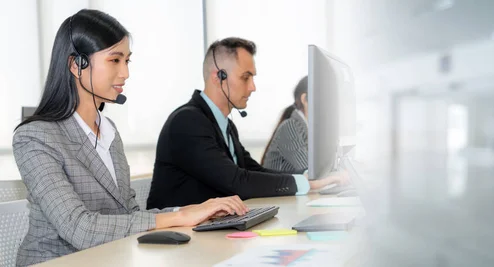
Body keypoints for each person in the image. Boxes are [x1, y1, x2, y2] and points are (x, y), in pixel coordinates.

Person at [12, 10, 247, 266]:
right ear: (76, 65)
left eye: (127, 61)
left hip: (111, 258)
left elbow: (130, 216)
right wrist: (181, 215)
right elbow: (78, 227)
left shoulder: (109, 131)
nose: (125, 73)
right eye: (115, 60)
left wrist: (200, 212)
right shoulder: (35, 137)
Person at [147, 38, 344, 209]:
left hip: (209, 229)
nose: (253, 87)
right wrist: (307, 183)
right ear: (219, 77)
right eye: (245, 77)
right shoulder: (187, 122)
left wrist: (308, 180)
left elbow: (253, 171)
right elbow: (237, 181)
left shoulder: (226, 125)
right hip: (176, 238)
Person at [261, 76, 308, 172]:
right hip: (276, 187)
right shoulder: (291, 127)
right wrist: (338, 177)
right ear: (305, 99)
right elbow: (312, 175)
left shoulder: (308, 130)